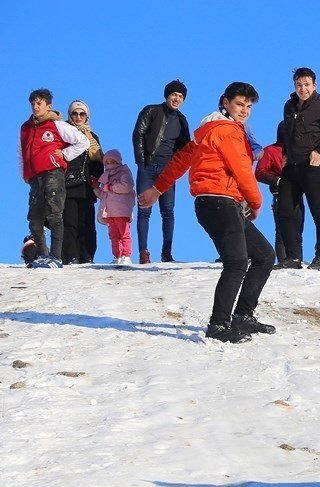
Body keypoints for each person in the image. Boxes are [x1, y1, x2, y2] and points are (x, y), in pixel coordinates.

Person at [139, 82, 275, 344]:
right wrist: (255, 202)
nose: (245, 110)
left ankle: (243, 315)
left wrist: (158, 188)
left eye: (248, 106)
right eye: (239, 104)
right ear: (225, 102)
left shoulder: (206, 131)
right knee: (236, 263)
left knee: (264, 256)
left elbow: (181, 160)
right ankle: (218, 325)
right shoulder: (228, 131)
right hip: (219, 203)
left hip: (220, 205)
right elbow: (242, 171)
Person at [275, 67, 320, 270]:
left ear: (314, 85)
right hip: (291, 166)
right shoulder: (289, 105)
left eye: (307, 85)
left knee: (318, 212)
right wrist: (285, 152)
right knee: (284, 211)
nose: (303, 89)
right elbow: (287, 131)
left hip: (312, 166)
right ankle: (293, 257)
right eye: (299, 85)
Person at [19, 88, 89, 268]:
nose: (35, 107)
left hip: (53, 173)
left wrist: (65, 154)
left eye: (39, 103)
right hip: (34, 177)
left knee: (54, 213)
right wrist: (24, 172)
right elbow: (22, 152)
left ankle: (55, 256)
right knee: (35, 219)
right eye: (33, 103)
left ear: (48, 106)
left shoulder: (57, 125)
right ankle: (43, 255)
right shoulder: (26, 128)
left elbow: (83, 142)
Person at [133, 80, 190, 264]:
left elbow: (184, 149)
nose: (177, 98)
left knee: (168, 211)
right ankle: (143, 252)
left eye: (181, 96)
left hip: (167, 170)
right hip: (148, 167)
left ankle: (167, 252)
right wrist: (141, 162)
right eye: (174, 94)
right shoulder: (151, 111)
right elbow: (138, 134)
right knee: (144, 209)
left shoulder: (182, 120)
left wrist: (175, 167)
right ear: (167, 95)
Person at [62, 99, 103, 264]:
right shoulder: (63, 133)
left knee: (87, 224)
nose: (78, 117)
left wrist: (97, 181)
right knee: (69, 222)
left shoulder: (92, 137)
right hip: (68, 185)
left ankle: (87, 256)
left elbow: (99, 162)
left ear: (87, 116)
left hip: (87, 186)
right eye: (75, 113)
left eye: (82, 114)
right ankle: (70, 256)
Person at [94, 149, 135, 265]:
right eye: (107, 162)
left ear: (118, 162)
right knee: (113, 235)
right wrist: (95, 188)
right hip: (110, 212)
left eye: (113, 161)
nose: (110, 164)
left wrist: (111, 187)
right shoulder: (105, 177)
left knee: (124, 234)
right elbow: (102, 195)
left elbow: (127, 187)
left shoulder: (124, 173)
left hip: (122, 211)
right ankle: (116, 255)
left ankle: (126, 255)